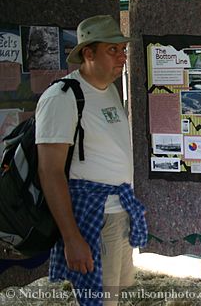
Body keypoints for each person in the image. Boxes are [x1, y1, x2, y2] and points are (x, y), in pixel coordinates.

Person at [35, 15, 147, 305]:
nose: (122, 56)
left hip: (119, 210)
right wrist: (72, 238)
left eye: (122, 49)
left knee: (113, 294)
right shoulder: (61, 97)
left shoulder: (109, 89)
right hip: (95, 217)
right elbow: (50, 171)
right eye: (113, 50)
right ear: (88, 53)